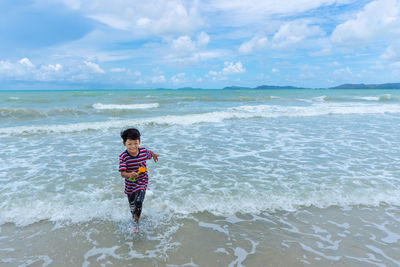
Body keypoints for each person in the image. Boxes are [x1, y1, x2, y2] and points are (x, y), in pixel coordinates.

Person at [119, 128, 158, 233]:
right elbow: (123, 173)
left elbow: (149, 153)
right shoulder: (123, 157)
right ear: (124, 143)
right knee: (132, 207)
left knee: (139, 201)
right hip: (130, 184)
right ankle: (135, 220)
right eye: (129, 144)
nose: (133, 147)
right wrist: (129, 174)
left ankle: (136, 223)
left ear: (139, 142)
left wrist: (154, 155)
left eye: (135, 143)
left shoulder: (143, 152)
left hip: (142, 181)